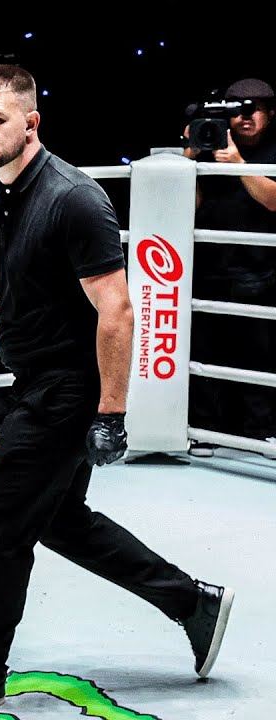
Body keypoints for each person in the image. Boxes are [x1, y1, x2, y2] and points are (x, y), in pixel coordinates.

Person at [0, 64, 234, 708]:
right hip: (33, 382)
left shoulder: (74, 198)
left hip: (68, 391)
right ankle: (192, 602)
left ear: (31, 123)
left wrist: (111, 414)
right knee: (61, 520)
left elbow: (116, 310)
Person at [183, 77, 276, 457]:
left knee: (258, 353)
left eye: (254, 109)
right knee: (204, 352)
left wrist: (238, 164)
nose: (245, 117)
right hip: (208, 265)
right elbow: (185, 205)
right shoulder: (207, 144)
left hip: (258, 268)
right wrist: (189, 157)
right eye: (236, 110)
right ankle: (205, 429)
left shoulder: (272, 149)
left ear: (270, 113)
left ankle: (261, 431)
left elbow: (273, 200)